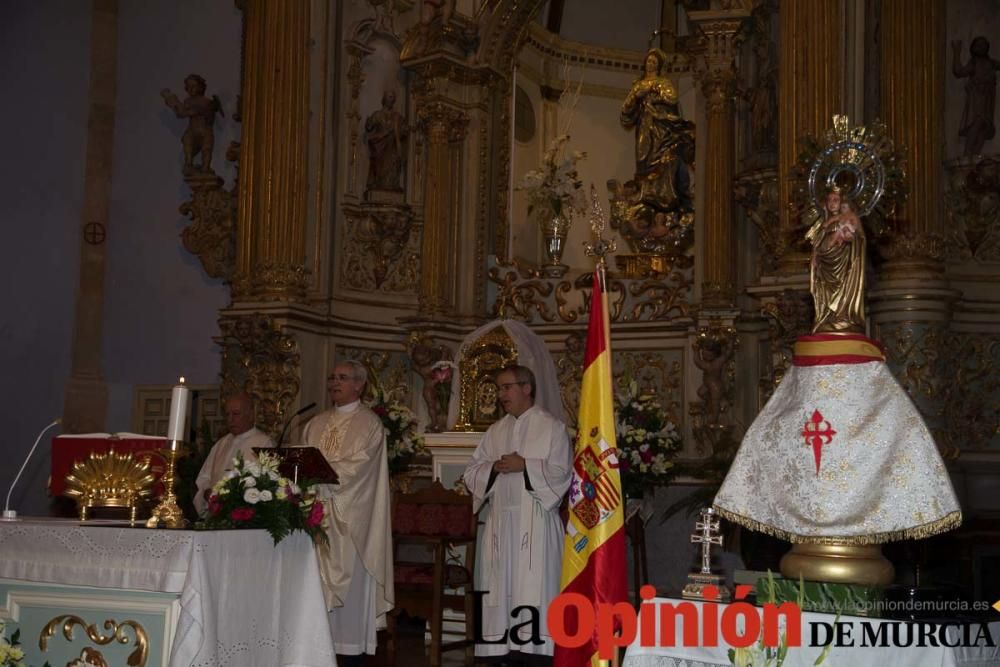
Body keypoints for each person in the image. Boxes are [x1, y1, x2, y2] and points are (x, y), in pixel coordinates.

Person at [462, 365, 572, 662]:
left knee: (534, 588)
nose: (501, 395)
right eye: (499, 388)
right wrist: (493, 469)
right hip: (501, 523)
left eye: (506, 387)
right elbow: (472, 472)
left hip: (535, 522)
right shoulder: (496, 430)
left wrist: (526, 465)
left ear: (527, 388)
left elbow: (563, 474)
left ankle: (537, 653)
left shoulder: (552, 427)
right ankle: (501, 650)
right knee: (500, 588)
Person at [301, 360, 393, 667]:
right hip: (315, 519)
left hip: (349, 521)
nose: (334, 383)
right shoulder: (313, 423)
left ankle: (350, 656)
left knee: (349, 596)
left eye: (342, 378)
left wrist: (319, 473)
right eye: (332, 377)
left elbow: (361, 469)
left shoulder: (370, 425)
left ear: (359, 385)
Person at [620, 48, 695, 218]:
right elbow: (625, 111)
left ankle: (662, 196)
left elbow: (672, 98)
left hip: (661, 128)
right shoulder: (638, 84)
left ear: (659, 66)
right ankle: (645, 193)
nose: (650, 64)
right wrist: (637, 96)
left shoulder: (663, 82)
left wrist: (654, 92)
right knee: (643, 158)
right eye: (648, 61)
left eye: (654, 62)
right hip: (644, 127)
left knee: (664, 159)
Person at [194, 392, 273, 514]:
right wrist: (206, 492)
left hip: (244, 517)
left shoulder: (263, 443)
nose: (230, 419)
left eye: (236, 414)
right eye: (227, 414)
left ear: (251, 415)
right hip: (215, 514)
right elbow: (204, 477)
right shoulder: (221, 444)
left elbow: (267, 484)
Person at [805, 188, 866, 333]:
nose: (832, 204)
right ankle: (825, 317)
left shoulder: (848, 218)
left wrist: (850, 237)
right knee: (824, 291)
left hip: (844, 263)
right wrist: (814, 257)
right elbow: (817, 243)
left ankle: (843, 316)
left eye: (836, 200)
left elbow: (860, 237)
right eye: (829, 200)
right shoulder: (824, 224)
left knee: (843, 288)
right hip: (825, 265)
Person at [160, 74, 224, 174]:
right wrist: (174, 103)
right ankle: (189, 164)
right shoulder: (188, 101)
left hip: (205, 130)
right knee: (187, 140)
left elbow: (210, 118)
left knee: (206, 148)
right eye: (188, 87)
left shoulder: (207, 101)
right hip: (192, 129)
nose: (190, 89)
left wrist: (208, 111)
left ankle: (205, 167)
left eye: (193, 86)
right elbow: (182, 113)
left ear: (201, 87)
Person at [952, 37, 999, 157]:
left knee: (985, 126)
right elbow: (959, 71)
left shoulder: (991, 63)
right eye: (978, 45)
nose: (981, 47)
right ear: (973, 48)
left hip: (988, 99)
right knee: (977, 122)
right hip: (977, 98)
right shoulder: (974, 63)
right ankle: (967, 153)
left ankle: (976, 155)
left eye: (984, 45)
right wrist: (957, 51)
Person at [365, 90, 408, 192]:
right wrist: (369, 123)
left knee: (393, 166)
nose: (391, 99)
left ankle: (391, 184)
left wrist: (401, 130)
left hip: (392, 147)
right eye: (389, 97)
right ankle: (379, 183)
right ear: (384, 99)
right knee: (380, 168)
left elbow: (404, 131)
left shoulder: (397, 117)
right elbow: (369, 127)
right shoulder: (378, 114)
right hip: (381, 147)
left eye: (393, 97)